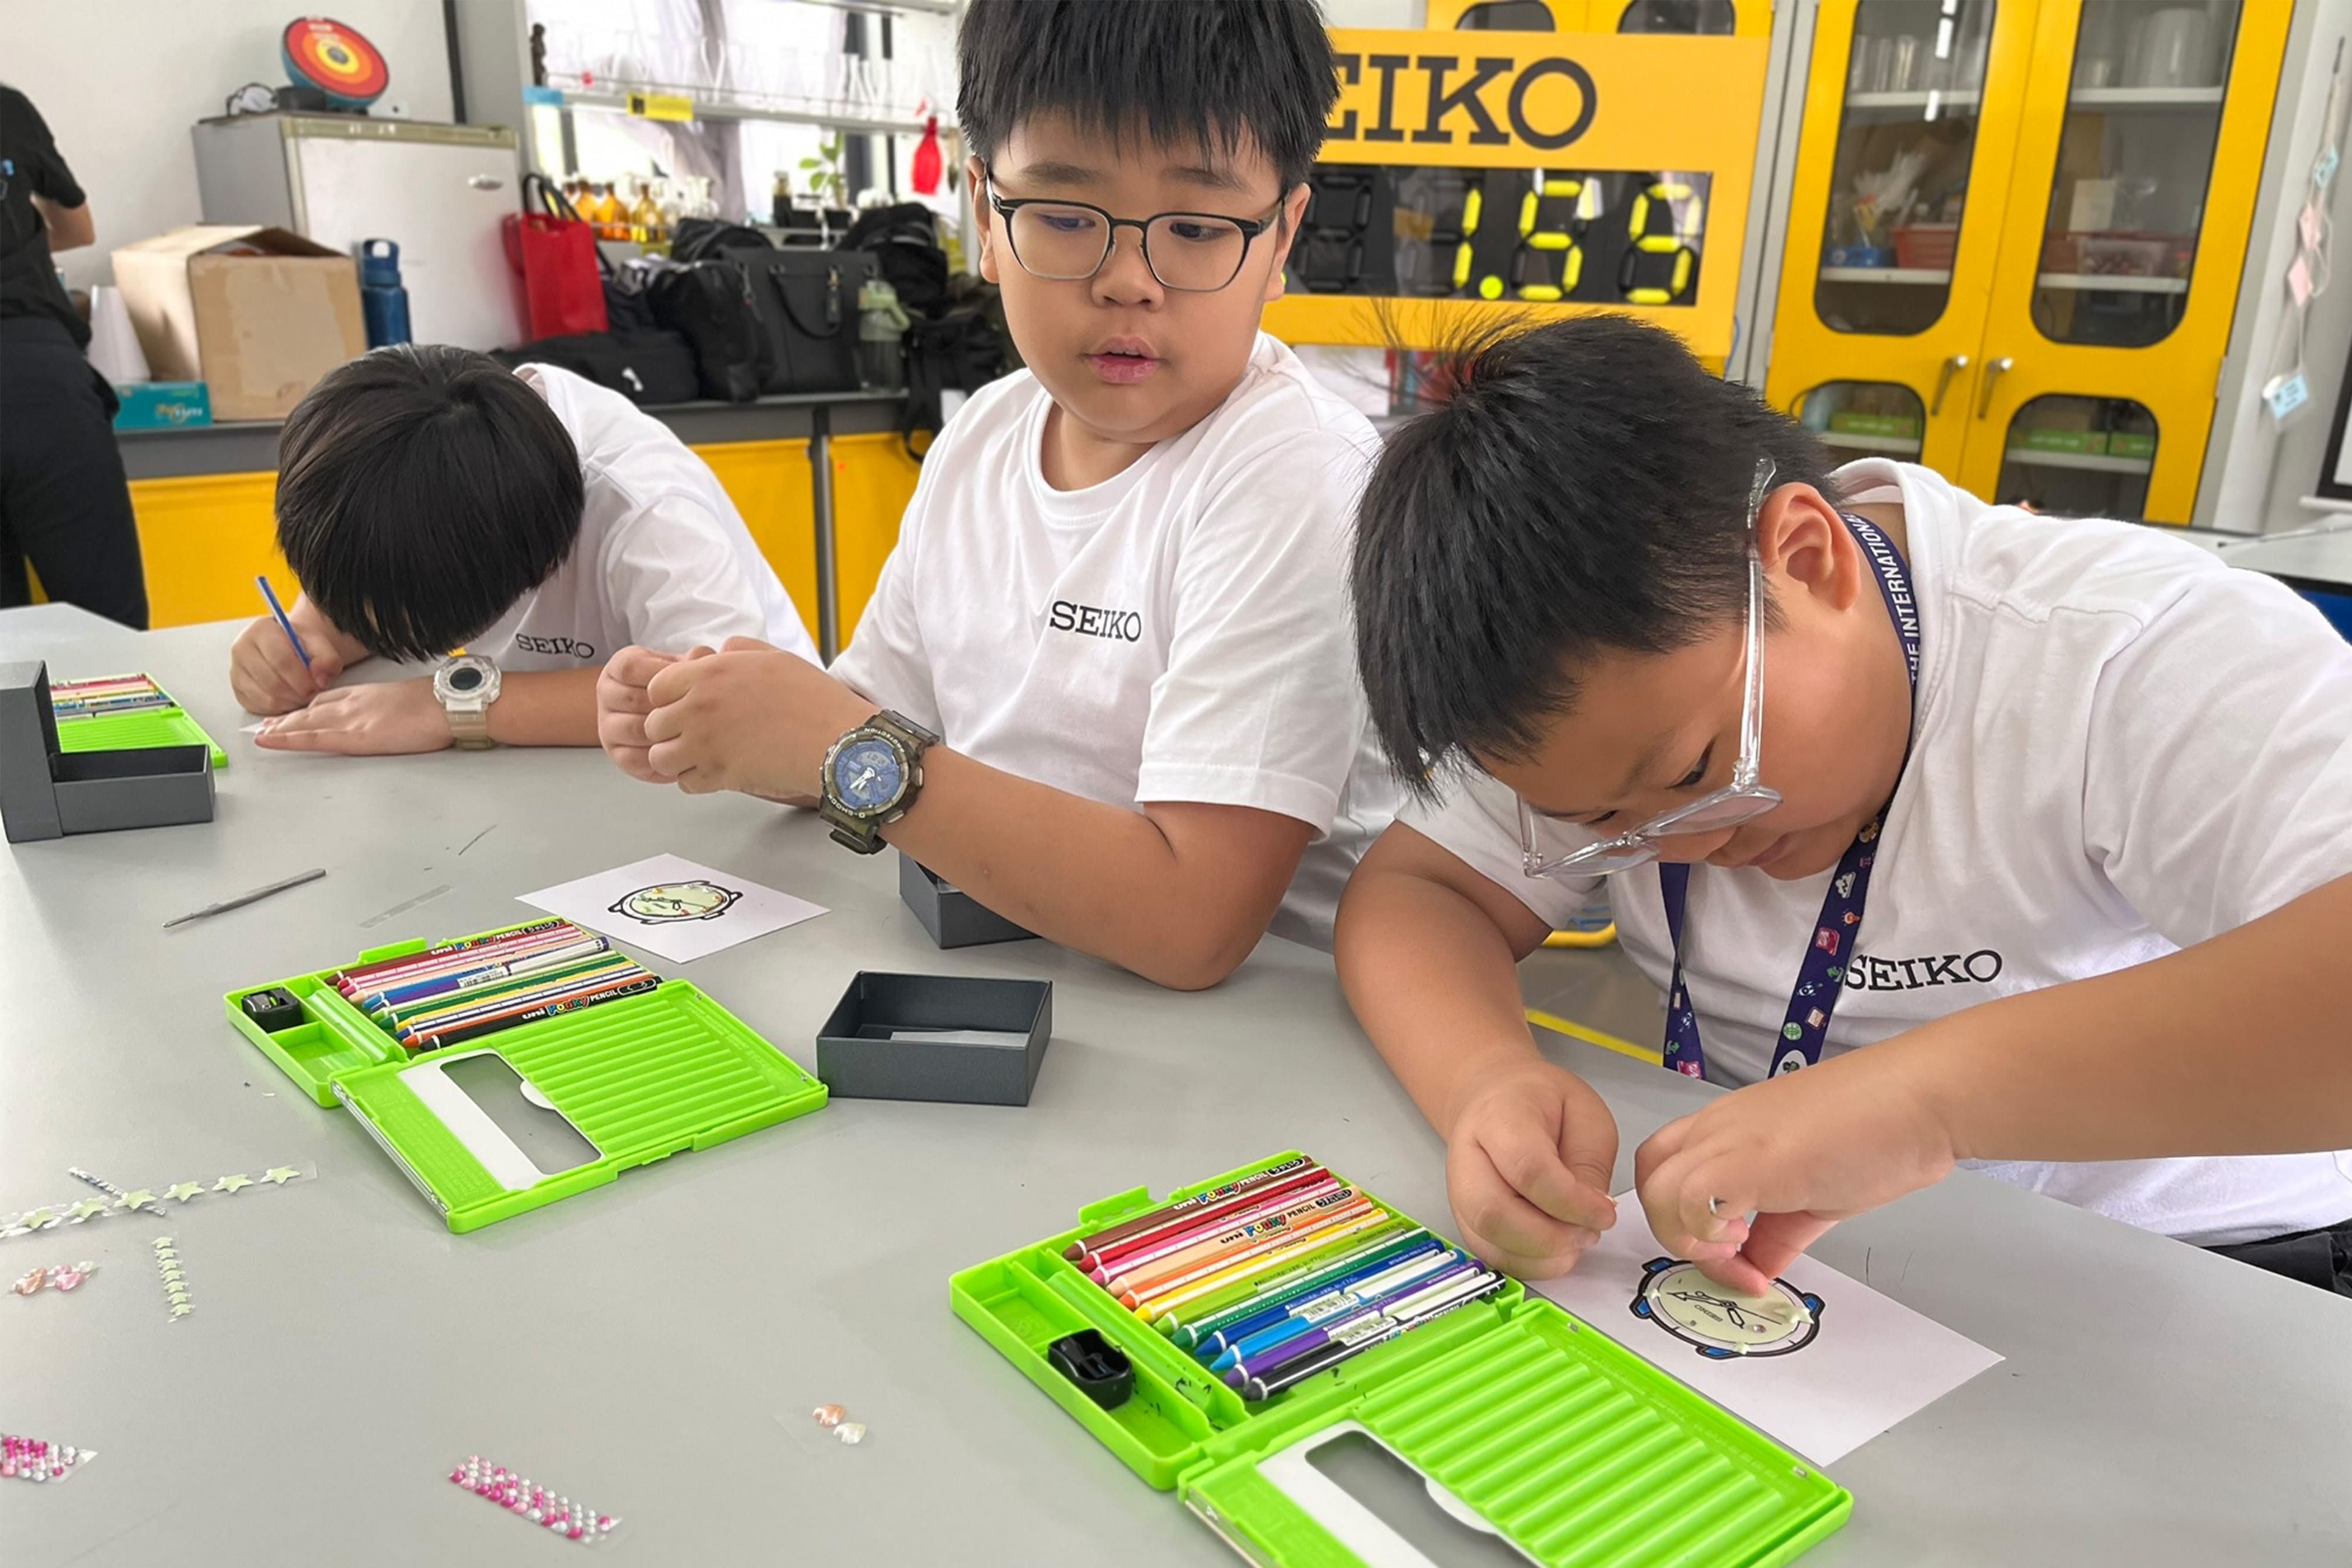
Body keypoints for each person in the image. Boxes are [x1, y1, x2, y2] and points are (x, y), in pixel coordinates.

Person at [1335, 315, 2352, 1296]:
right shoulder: (1584, 691)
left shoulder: (2124, 650)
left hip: (2212, 1268)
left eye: (1698, 770)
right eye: (1602, 824)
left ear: (1808, 558)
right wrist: (1483, 1078)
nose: (1694, 844)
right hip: (1815, 1258)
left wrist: (1930, 1103)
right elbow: (1420, 894)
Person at [596, 0, 1396, 988]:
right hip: (1014, 963)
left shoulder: (1295, 473)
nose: (1129, 281)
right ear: (985, 213)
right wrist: (732, 713)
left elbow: (1194, 924)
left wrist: (836, 743)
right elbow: (876, 716)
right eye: (1064, 217)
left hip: (1258, 1041)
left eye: (1195, 227)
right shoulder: (984, 433)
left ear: (1281, 240)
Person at [231, 345, 816, 753]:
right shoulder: (409, 441)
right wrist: (312, 631)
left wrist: (451, 707)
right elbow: (395, 555)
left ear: (539, 564)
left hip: (734, 780)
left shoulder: (650, 514)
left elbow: (718, 699)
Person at [0, 85, 148, 627]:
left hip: (33, 372)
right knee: (106, 630)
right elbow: (78, 228)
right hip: (36, 380)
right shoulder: (7, 108)